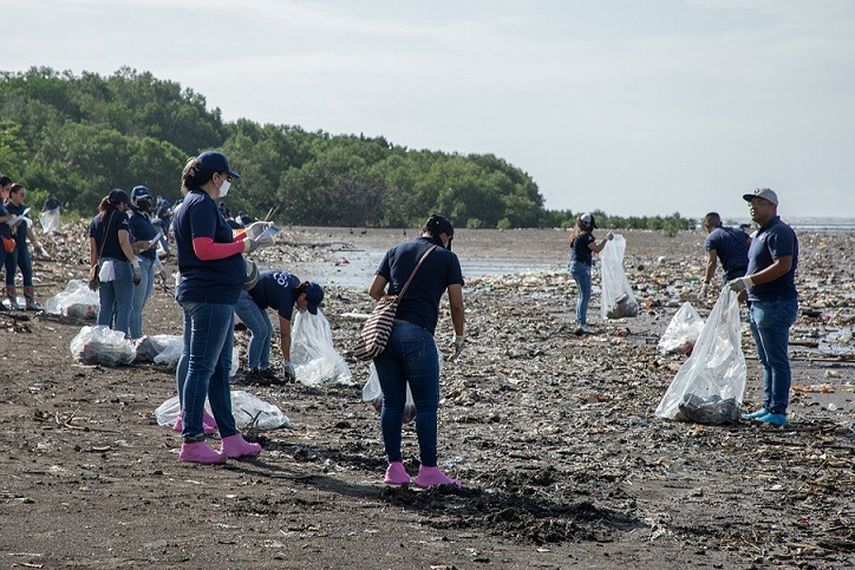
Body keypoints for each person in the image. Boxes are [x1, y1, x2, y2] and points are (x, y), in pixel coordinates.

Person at [173, 150, 261, 465]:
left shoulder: (195, 204)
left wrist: (243, 237)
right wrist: (243, 245)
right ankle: (193, 440)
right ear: (215, 177)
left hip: (214, 294)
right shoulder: (200, 204)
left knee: (220, 368)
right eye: (225, 178)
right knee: (202, 366)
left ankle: (230, 437)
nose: (226, 183)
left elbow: (209, 244)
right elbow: (204, 249)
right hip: (208, 295)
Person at [368, 214, 465, 488]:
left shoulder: (395, 250)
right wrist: (459, 336)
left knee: (392, 402)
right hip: (418, 336)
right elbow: (456, 304)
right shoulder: (447, 258)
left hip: (385, 334)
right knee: (425, 405)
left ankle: (394, 468)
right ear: (445, 237)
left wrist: (394, 301)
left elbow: (374, 290)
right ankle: (428, 470)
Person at [728, 188, 799, 427]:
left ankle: (778, 411)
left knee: (776, 359)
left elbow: (783, 265)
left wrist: (749, 281)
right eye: (751, 203)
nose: (753, 207)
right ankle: (768, 406)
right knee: (765, 359)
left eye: (759, 203)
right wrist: (745, 291)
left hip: (775, 302)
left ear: (773, 207)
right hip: (758, 303)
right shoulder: (761, 233)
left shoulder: (780, 232)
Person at [235, 268, 324, 384]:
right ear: (303, 296)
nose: (306, 308)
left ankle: (264, 369)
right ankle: (252, 371)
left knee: (267, 330)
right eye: (307, 305)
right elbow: (285, 334)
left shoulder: (295, 284)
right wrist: (287, 362)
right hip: (242, 294)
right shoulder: (287, 298)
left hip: (254, 297)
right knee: (260, 331)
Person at [88, 189, 141, 335]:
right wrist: (134, 263)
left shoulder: (95, 221)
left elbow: (93, 250)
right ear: (122, 204)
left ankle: (100, 341)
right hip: (119, 265)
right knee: (124, 307)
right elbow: (123, 242)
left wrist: (93, 269)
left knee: (105, 307)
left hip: (103, 265)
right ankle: (120, 343)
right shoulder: (121, 216)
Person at [568, 213, 612, 335]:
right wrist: (606, 239)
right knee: (585, 296)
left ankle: (579, 321)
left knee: (581, 296)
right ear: (587, 224)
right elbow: (597, 249)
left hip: (574, 266)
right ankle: (582, 324)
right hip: (581, 267)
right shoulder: (586, 236)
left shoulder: (576, 235)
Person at [5, 184, 47, 310]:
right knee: (11, 271)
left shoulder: (23, 209)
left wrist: (35, 242)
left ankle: (30, 302)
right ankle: (13, 301)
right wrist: (13, 225)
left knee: (27, 271)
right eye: (21, 194)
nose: (23, 197)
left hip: (22, 245)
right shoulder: (7, 209)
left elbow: (28, 228)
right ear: (13, 194)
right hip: (12, 245)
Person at [127, 185, 160, 339]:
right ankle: (136, 337)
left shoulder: (146, 218)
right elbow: (128, 242)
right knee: (136, 304)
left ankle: (136, 334)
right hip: (140, 261)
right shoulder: (132, 218)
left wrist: (159, 265)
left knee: (141, 303)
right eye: (140, 200)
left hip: (150, 261)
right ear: (133, 201)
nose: (144, 202)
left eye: (146, 199)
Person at [700, 212, 750, 297]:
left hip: (732, 273)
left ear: (707, 226)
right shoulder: (739, 232)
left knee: (726, 305)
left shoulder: (711, 238)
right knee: (751, 302)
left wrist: (706, 283)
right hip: (749, 271)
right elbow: (753, 244)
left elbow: (712, 261)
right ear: (721, 223)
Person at [0, 176, 14, 310]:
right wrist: (7, 218)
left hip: (4, 240)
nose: (7, 193)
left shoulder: (2, 204)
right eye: (6, 189)